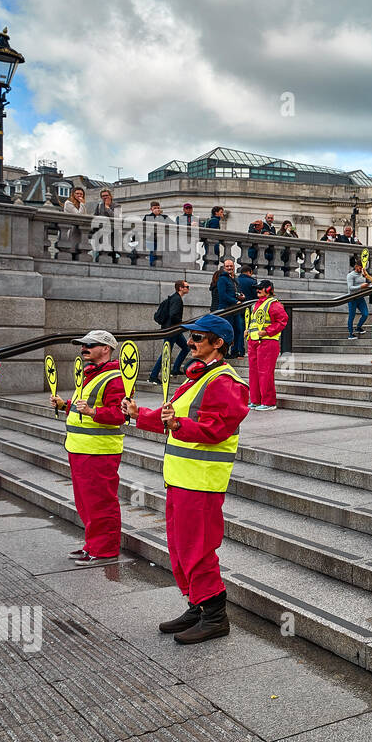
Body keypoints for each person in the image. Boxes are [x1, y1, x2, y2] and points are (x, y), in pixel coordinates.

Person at [122, 315, 248, 645]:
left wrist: (178, 426)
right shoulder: (196, 378)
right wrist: (139, 414)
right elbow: (173, 417)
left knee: (198, 551)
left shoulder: (225, 382)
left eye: (198, 338)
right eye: (190, 337)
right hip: (180, 479)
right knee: (180, 550)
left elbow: (215, 430)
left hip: (202, 483)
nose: (190, 342)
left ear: (218, 343)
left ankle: (215, 616)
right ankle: (197, 605)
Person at [50, 330, 125, 564]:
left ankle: (105, 550)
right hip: (81, 448)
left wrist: (92, 412)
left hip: (99, 451)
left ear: (106, 348)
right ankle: (92, 545)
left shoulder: (116, 377)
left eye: (89, 345)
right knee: (86, 503)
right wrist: (65, 405)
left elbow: (120, 414)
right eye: (82, 345)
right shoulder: (91, 374)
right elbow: (85, 405)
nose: (83, 349)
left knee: (101, 502)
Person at [246, 279, 287, 411]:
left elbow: (282, 321)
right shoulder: (256, 305)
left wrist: (267, 332)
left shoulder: (274, 304)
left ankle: (268, 402)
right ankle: (256, 400)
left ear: (268, 289)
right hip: (254, 341)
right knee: (254, 373)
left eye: (260, 288)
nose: (257, 290)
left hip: (267, 342)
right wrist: (248, 331)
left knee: (265, 373)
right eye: (257, 288)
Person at [149, 280, 191, 382]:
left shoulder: (175, 298)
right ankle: (153, 376)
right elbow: (173, 315)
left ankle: (175, 369)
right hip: (172, 330)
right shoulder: (177, 299)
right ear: (180, 288)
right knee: (166, 353)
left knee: (186, 347)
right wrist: (181, 323)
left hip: (174, 330)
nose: (188, 288)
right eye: (187, 286)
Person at [215, 259, 246, 357]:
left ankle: (235, 351)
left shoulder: (234, 279)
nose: (229, 268)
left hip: (235, 309)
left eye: (231, 266)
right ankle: (225, 352)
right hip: (226, 310)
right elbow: (222, 295)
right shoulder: (222, 279)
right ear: (224, 268)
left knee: (238, 330)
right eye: (227, 266)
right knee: (227, 331)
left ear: (234, 267)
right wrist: (235, 301)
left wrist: (241, 296)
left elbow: (235, 292)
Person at [89, 188, 118, 263]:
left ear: (110, 196)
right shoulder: (99, 206)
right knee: (101, 253)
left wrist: (107, 208)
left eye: (106, 195)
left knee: (112, 253)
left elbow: (117, 218)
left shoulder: (117, 205)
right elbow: (95, 217)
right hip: (101, 234)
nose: (105, 197)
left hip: (113, 235)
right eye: (103, 196)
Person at [346, 255, 371, 338]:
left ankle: (358, 327)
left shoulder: (362, 274)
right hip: (352, 298)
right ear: (356, 266)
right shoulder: (350, 275)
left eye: (362, 268)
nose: (360, 270)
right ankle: (350, 334)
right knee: (351, 316)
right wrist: (361, 286)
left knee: (365, 314)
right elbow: (350, 288)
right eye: (359, 268)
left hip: (360, 297)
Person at [142, 200, 171, 267]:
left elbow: (172, 225)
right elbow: (143, 226)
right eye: (155, 208)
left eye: (158, 208)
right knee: (153, 253)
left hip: (162, 239)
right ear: (151, 209)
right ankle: (152, 265)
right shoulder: (147, 216)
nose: (157, 209)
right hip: (152, 239)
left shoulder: (165, 217)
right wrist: (153, 215)